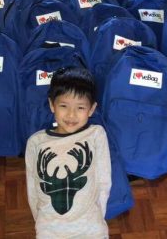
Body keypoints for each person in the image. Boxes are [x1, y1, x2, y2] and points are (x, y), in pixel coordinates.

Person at [25, 67, 111, 239]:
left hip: (91, 229)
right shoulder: (35, 142)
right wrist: (41, 222)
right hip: (49, 231)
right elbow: (33, 189)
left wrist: (96, 217)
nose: (71, 115)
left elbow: (104, 181)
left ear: (91, 109)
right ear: (52, 105)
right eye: (64, 106)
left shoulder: (96, 134)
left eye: (80, 107)